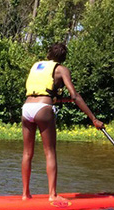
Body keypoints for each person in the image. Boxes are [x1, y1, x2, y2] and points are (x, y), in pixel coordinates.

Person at [22, 43, 104, 201]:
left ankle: (25, 194)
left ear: (48, 54)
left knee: (27, 153)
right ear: (63, 58)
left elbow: (42, 91)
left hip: (26, 108)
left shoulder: (36, 66)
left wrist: (61, 100)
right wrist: (93, 119)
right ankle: (52, 195)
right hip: (43, 108)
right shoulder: (61, 69)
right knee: (50, 152)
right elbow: (75, 95)